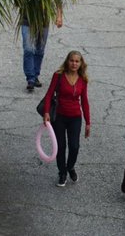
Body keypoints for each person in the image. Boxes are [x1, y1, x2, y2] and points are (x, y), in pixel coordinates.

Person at [43, 50, 91, 186]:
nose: (74, 63)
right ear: (67, 61)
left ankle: (70, 167)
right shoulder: (58, 76)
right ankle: (62, 172)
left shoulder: (83, 79)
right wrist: (46, 112)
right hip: (59, 117)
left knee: (74, 146)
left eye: (77, 61)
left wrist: (88, 122)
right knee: (60, 146)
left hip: (75, 117)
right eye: (72, 60)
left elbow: (85, 101)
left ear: (81, 63)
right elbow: (48, 95)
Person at [22, 6, 63, 92]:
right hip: (27, 20)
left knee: (39, 50)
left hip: (44, 21)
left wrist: (59, 16)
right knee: (28, 49)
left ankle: (35, 75)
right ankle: (30, 78)